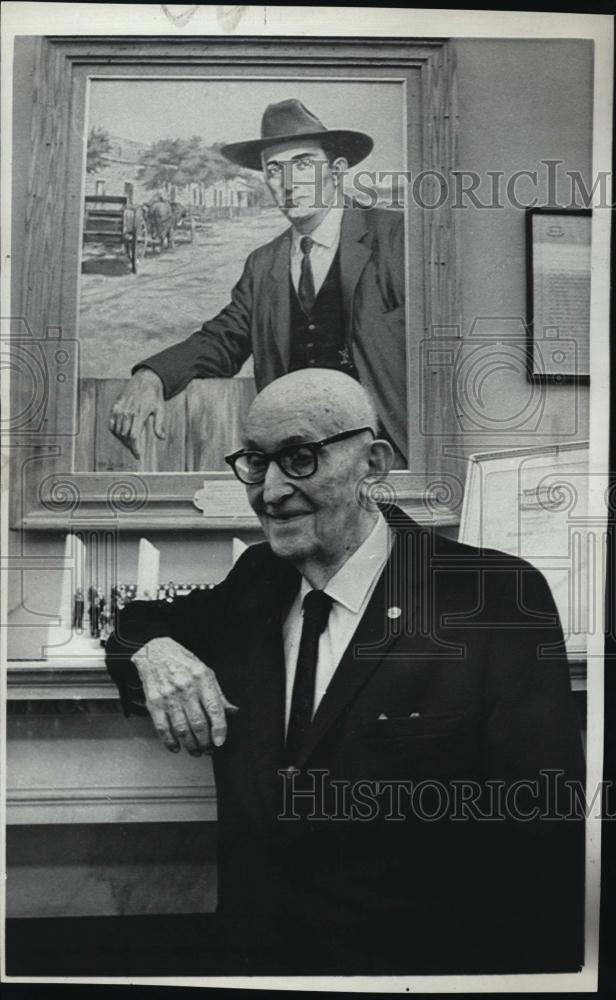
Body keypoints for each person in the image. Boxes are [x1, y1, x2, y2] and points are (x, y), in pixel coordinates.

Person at [106, 369, 585, 976]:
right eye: (256, 462)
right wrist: (154, 652)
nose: (270, 491)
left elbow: (544, 831)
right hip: (258, 963)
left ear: (373, 464)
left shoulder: (491, 594)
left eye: (299, 459)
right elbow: (135, 623)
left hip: (416, 972)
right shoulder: (256, 579)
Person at [108, 99, 406, 464]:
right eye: (275, 170)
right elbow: (222, 339)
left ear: (338, 170)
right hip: (297, 466)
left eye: (303, 164)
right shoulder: (263, 264)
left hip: (392, 460)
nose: (289, 183)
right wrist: (152, 376)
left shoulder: (397, 238)